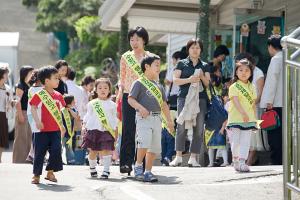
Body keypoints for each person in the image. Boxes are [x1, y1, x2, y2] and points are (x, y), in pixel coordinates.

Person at [128, 55, 174, 182]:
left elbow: (164, 105)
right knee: (144, 142)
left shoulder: (159, 86)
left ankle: (148, 171)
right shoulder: (138, 83)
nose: (159, 68)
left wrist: (169, 121)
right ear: (146, 67)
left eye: (159, 65)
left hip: (157, 119)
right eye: (157, 65)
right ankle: (138, 166)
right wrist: (140, 108)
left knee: (154, 147)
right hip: (144, 118)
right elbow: (130, 99)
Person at [170, 38, 210, 167]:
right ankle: (178, 157)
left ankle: (193, 157)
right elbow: (175, 80)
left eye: (197, 48)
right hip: (183, 98)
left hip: (201, 99)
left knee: (198, 128)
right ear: (188, 49)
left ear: (201, 50)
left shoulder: (204, 65)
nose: (195, 50)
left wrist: (202, 76)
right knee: (181, 126)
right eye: (192, 47)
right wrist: (190, 79)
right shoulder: (181, 63)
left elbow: (207, 84)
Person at [119, 26, 152, 174]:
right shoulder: (126, 57)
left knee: (144, 131)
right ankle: (125, 163)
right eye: (131, 39)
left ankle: (142, 164)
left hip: (145, 96)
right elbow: (122, 76)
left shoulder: (151, 57)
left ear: (144, 40)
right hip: (128, 95)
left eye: (137, 39)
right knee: (128, 130)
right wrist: (120, 94)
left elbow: (154, 77)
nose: (134, 42)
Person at [30, 66, 66, 184]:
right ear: (46, 81)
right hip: (42, 130)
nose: (58, 80)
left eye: (58, 78)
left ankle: (50, 172)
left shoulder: (59, 95)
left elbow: (61, 111)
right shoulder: (40, 94)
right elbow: (33, 107)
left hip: (55, 130)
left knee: (56, 150)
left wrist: (63, 125)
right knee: (39, 152)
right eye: (55, 78)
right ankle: (36, 175)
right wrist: (37, 121)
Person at [82, 78, 118, 179]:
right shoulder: (92, 103)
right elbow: (87, 116)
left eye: (105, 88)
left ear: (109, 90)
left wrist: (116, 132)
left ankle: (106, 171)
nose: (103, 90)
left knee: (106, 151)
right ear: (96, 90)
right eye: (100, 88)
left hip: (106, 131)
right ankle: (92, 169)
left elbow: (114, 119)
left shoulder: (112, 105)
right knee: (92, 151)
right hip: (93, 130)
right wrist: (84, 126)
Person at [227, 58, 257, 172]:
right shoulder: (234, 86)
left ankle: (242, 162)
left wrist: (254, 120)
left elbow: (253, 104)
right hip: (236, 118)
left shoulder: (252, 87)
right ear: (236, 72)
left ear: (251, 73)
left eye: (246, 70)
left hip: (248, 119)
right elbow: (235, 101)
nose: (244, 73)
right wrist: (243, 113)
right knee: (236, 141)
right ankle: (235, 160)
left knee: (246, 141)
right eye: (241, 70)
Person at [235, 52, 265, 166]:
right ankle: (248, 158)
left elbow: (260, 93)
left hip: (254, 108)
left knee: (253, 135)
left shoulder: (258, 73)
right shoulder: (245, 73)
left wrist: (250, 104)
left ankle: (250, 159)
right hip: (243, 108)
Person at [260, 35, 283, 165]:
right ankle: (282, 159)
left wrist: (268, 101)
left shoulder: (275, 59)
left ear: (270, 46)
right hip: (285, 103)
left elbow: (271, 82)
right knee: (282, 133)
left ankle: (276, 160)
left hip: (274, 103)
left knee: (274, 134)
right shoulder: (288, 57)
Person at [161, 51, 182, 166]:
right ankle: (168, 156)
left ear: (176, 59)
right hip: (182, 101)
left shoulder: (174, 69)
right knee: (175, 130)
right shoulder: (187, 69)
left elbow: (167, 82)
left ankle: (166, 156)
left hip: (171, 102)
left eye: (173, 59)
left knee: (167, 130)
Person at [13, 65, 34, 163]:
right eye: (30, 73)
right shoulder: (20, 85)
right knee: (21, 138)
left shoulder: (28, 85)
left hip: (28, 114)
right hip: (22, 112)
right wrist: (20, 114)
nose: (32, 75)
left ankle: (26, 159)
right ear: (25, 74)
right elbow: (17, 101)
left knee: (28, 137)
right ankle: (18, 161)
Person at [206, 89, 229, 167]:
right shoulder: (211, 110)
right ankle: (211, 162)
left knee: (221, 147)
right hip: (213, 131)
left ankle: (224, 162)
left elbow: (225, 119)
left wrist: (222, 128)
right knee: (212, 148)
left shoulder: (220, 109)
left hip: (218, 130)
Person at [26, 70, 43, 163]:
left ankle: (32, 154)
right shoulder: (38, 90)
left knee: (36, 134)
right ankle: (33, 155)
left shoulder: (32, 88)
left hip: (32, 114)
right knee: (37, 135)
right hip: (35, 114)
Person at [62, 94, 80, 165]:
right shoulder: (62, 110)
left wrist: (70, 109)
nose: (75, 102)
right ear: (69, 102)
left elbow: (76, 117)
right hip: (63, 132)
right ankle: (60, 160)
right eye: (73, 101)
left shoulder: (74, 110)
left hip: (70, 133)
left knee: (69, 147)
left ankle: (71, 160)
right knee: (61, 146)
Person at [0, 66, 11, 163]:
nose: (8, 76)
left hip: (3, 114)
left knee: (2, 137)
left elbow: (10, 101)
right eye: (6, 74)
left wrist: (12, 103)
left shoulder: (7, 88)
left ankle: (0, 159)